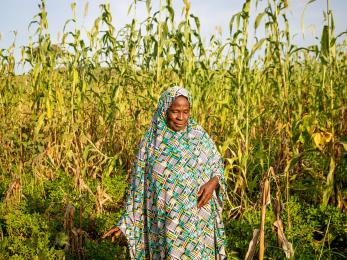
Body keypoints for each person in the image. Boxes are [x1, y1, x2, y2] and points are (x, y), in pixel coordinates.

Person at [103, 86, 226, 259]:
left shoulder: (199, 136)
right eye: (175, 111)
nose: (181, 117)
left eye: (185, 111)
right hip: (165, 223)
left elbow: (217, 165)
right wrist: (126, 222)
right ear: (164, 110)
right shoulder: (151, 142)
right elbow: (138, 187)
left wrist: (213, 182)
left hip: (197, 220)